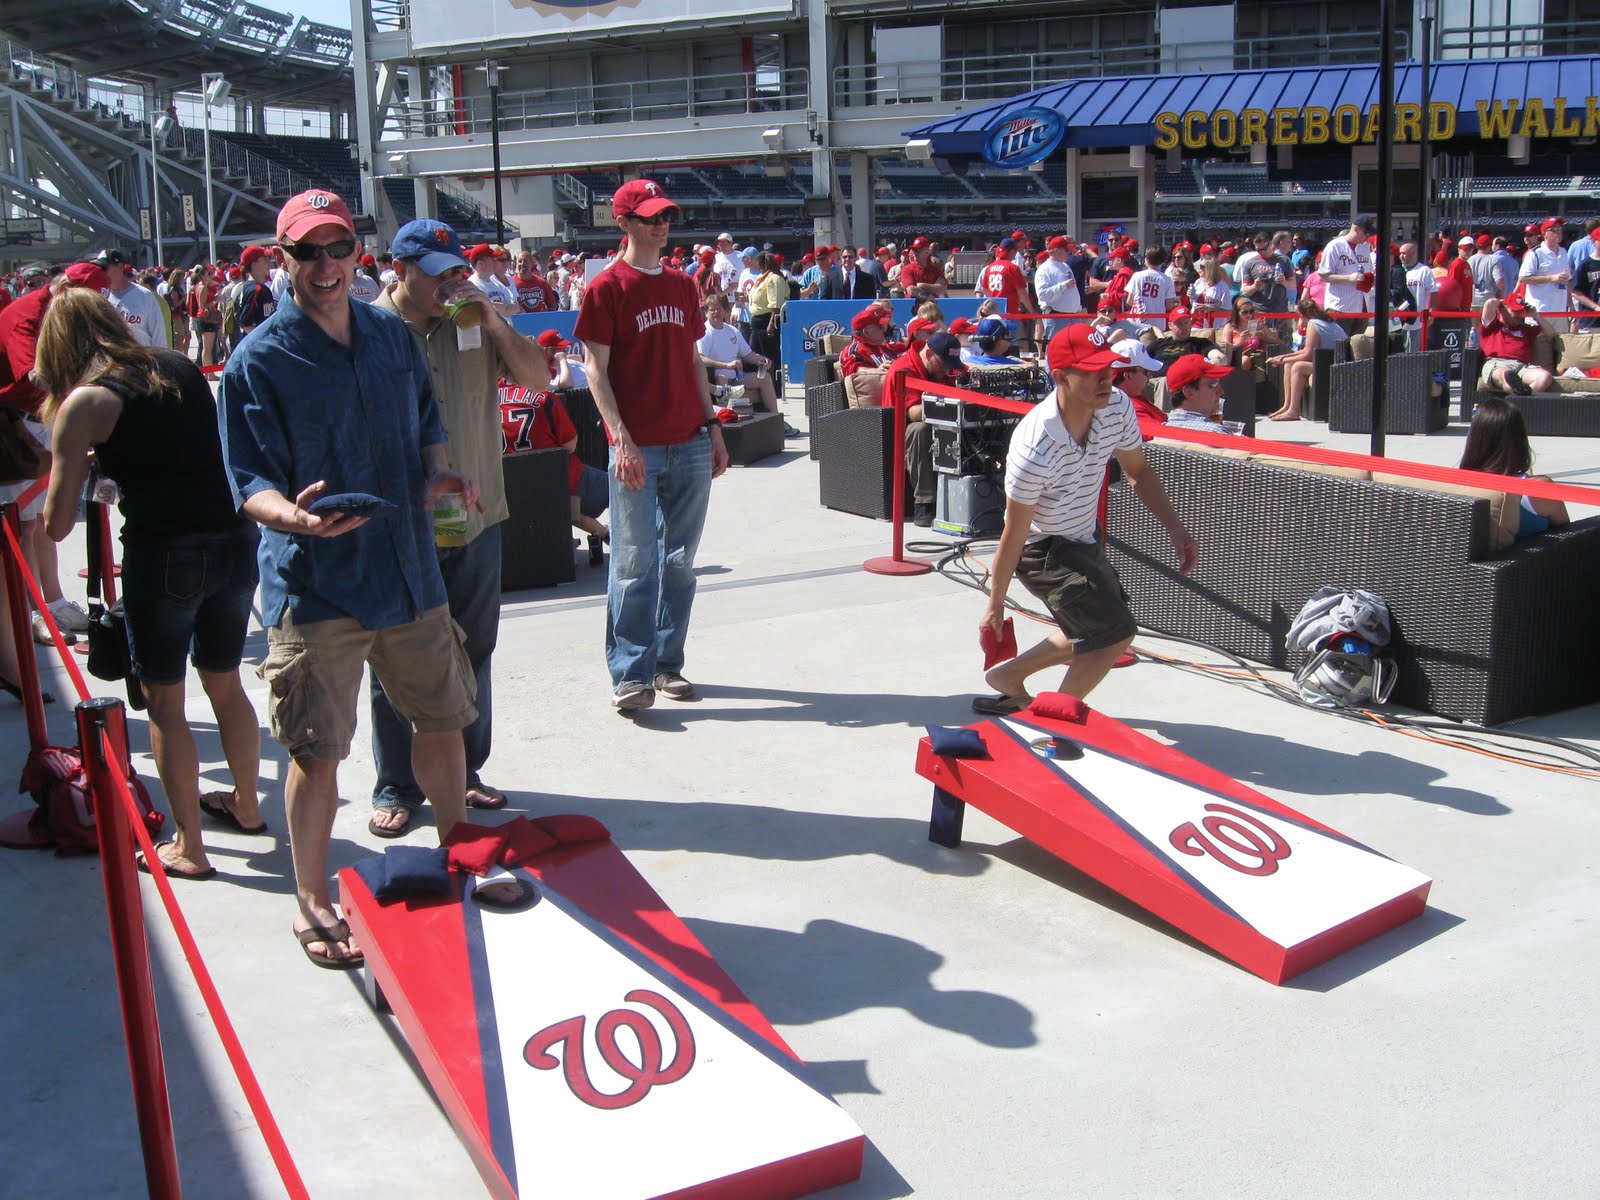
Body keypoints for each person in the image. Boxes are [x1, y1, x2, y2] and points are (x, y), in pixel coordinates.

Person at [219, 190, 481, 969]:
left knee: (442, 719)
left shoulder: (390, 335)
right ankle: (311, 896)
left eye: (338, 249)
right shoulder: (256, 361)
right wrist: (292, 519)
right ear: (284, 259)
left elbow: (427, 422)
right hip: (318, 585)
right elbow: (248, 480)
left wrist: (437, 474)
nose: (326, 266)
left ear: (356, 254)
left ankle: (460, 850)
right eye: (308, 252)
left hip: (408, 572)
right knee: (316, 752)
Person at [38, 289, 264, 878]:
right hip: (233, 542)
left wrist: (80, 462)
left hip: (165, 554)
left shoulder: (86, 402)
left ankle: (191, 847)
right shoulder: (177, 366)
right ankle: (245, 803)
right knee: (226, 684)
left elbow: (57, 525)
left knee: (166, 702)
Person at [365, 217, 552, 836]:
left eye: (456, 270)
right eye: (437, 273)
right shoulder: (368, 330)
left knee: (474, 648)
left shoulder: (471, 322)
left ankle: (466, 770)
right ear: (400, 271)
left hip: (476, 516)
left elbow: (538, 379)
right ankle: (397, 784)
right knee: (394, 655)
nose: (451, 282)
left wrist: (495, 319)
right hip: (398, 522)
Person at [975, 324, 1197, 713]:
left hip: (1083, 536)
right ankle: (1055, 716)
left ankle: (1007, 677)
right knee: (1116, 633)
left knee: (1094, 628)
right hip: (1041, 551)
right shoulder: (1033, 447)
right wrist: (995, 605)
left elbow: (1139, 472)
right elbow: (1015, 530)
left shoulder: (1117, 406)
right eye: (1093, 372)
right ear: (1060, 377)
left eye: (1108, 368)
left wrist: (1176, 529)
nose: (1106, 379)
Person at [575, 178, 729, 713]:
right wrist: (621, 438)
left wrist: (712, 426)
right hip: (637, 445)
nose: (661, 224)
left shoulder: (682, 285)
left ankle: (667, 664)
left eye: (665, 215)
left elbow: (691, 360)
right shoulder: (606, 288)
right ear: (624, 223)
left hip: (687, 439)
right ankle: (630, 672)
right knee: (635, 561)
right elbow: (595, 369)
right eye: (649, 217)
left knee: (681, 562)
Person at [499, 337, 610, 565]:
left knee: (564, 503)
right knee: (621, 489)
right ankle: (613, 536)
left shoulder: (487, 398)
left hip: (507, 486)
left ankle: (602, 532)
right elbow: (571, 444)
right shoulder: (545, 398)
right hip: (558, 480)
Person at [882, 331, 964, 528]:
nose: (946, 370)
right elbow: (912, 413)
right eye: (943, 364)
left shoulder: (944, 370)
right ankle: (924, 503)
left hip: (938, 428)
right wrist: (949, 400)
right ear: (928, 354)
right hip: (898, 436)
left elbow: (963, 377)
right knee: (921, 429)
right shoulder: (904, 369)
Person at [1458, 397, 1568, 540]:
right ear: (1520, 440)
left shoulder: (1456, 485)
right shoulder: (1537, 488)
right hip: (1534, 560)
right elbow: (1566, 529)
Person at [697, 293, 787, 429]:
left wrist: (760, 359)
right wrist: (725, 365)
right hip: (718, 379)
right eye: (712, 309)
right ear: (706, 312)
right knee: (722, 377)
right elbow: (700, 358)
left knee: (765, 378)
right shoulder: (705, 332)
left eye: (718, 309)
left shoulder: (732, 331)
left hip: (737, 378)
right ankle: (724, 424)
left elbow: (747, 354)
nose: (715, 312)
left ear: (725, 310)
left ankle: (776, 421)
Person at [1264, 297, 1349, 421]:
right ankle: (1287, 406)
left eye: (1299, 317)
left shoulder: (1313, 324)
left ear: (1304, 315)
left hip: (1333, 364)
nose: (1298, 320)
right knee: (1289, 364)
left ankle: (1294, 410)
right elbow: (1306, 351)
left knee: (1298, 367)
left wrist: (1281, 360)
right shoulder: (1324, 321)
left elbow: (1307, 355)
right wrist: (1283, 357)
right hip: (1326, 360)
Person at [1478, 291, 1553, 396]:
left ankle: (1521, 398)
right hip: (1498, 364)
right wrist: (1502, 303)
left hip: (1522, 366)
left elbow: (1551, 334)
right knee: (1506, 375)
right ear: (1502, 310)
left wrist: (1536, 316)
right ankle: (1519, 394)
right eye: (1515, 311)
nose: (1519, 315)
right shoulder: (1492, 326)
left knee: (1544, 377)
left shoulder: (1525, 329)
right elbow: (1490, 303)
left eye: (1520, 311)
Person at [97, 249, 170, 349]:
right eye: (98, 268)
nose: (101, 272)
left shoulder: (144, 295)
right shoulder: (99, 297)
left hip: (142, 361)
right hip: (112, 363)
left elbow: (159, 336)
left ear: (120, 267)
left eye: (104, 268)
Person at [1316, 216, 1375, 329]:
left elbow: (1369, 271)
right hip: (1340, 306)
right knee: (1340, 344)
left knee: (1358, 345)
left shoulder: (1365, 247)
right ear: (1356, 229)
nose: (1368, 237)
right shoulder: (1335, 246)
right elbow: (1323, 275)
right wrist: (1349, 278)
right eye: (1366, 233)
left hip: (1362, 305)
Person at [1519, 218, 1572, 328]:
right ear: (1544, 234)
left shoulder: (1563, 252)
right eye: (1554, 229)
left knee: (1561, 345)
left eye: (1560, 228)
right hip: (1539, 312)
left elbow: (1568, 281)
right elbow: (1523, 278)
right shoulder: (1535, 253)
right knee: (1540, 344)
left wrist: (1570, 305)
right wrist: (1551, 278)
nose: (1558, 231)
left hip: (1560, 312)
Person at [1164, 354, 1239, 431]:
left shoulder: (1159, 433)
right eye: (1213, 385)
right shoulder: (1216, 432)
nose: (1221, 391)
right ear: (1189, 392)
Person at [1033, 236, 1082, 343]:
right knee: (1056, 349)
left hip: (1074, 316)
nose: (1069, 252)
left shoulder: (1065, 266)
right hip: (1056, 317)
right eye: (1066, 249)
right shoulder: (1044, 269)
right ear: (1056, 250)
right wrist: (1063, 286)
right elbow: (1042, 295)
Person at [746, 250, 787, 373]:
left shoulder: (773, 279)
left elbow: (776, 305)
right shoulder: (761, 278)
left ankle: (774, 386)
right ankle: (760, 382)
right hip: (757, 322)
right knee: (756, 356)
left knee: (769, 356)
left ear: (761, 264)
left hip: (767, 320)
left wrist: (771, 324)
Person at [235, 246, 276, 340]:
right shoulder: (257, 289)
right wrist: (266, 342)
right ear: (254, 264)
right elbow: (247, 325)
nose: (269, 262)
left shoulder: (248, 286)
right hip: (259, 346)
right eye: (265, 259)